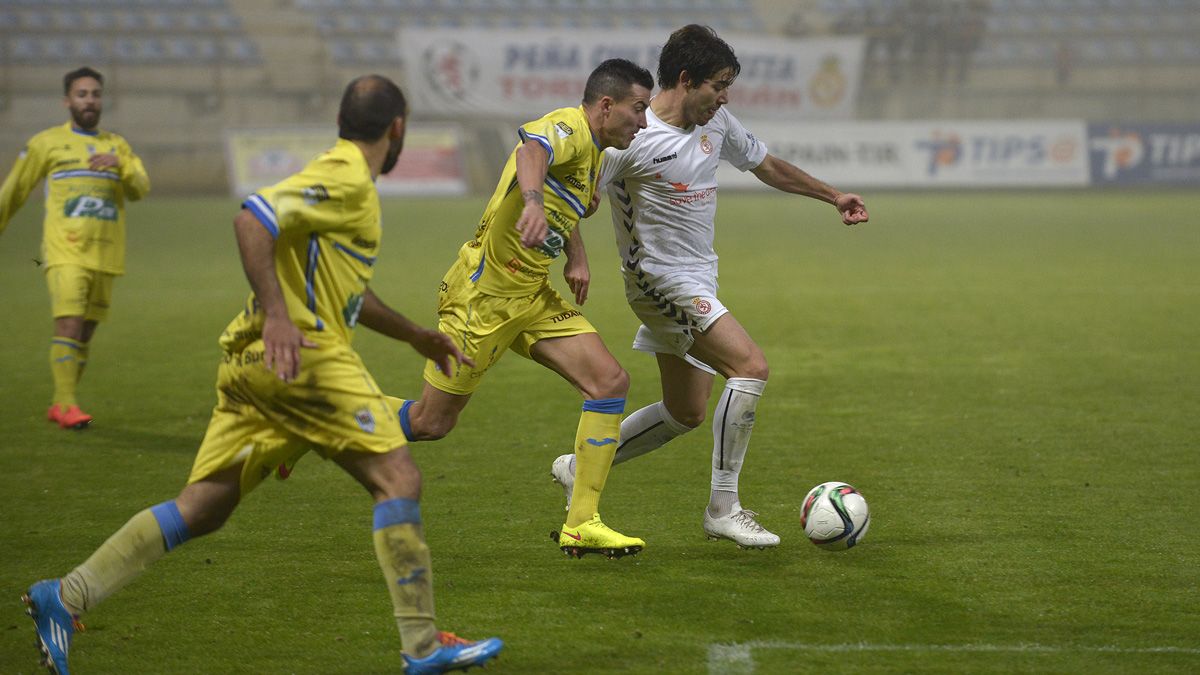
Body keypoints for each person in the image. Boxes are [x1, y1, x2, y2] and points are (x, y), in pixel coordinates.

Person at [22, 75, 502, 675]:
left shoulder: (343, 177)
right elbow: (252, 219)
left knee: (202, 507)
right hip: (304, 358)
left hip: (251, 364)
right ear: (397, 128)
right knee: (398, 479)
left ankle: (63, 597)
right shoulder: (348, 174)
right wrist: (278, 314)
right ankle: (422, 646)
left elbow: (342, 287)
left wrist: (414, 335)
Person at [550, 25, 870, 549]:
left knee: (686, 412)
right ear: (685, 79)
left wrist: (832, 195)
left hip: (700, 275)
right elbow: (576, 198)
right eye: (718, 85)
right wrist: (576, 256)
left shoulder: (715, 123)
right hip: (657, 281)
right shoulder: (634, 137)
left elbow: (766, 165)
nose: (724, 97)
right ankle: (724, 508)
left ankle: (576, 466)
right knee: (750, 367)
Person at [391, 58, 653, 559]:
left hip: (531, 296)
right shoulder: (569, 127)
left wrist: (576, 255)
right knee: (430, 423)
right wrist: (531, 201)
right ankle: (320, 415)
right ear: (605, 105)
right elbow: (531, 152)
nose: (642, 122)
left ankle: (583, 523)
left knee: (609, 382)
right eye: (637, 109)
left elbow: (565, 204)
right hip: (482, 297)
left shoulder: (597, 151)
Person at [0, 66, 150, 430]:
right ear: (67, 101)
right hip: (65, 250)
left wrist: (122, 166)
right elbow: (15, 190)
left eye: (96, 94)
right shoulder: (46, 143)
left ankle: (60, 404)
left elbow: (140, 188)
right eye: (82, 94)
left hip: (106, 255)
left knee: (84, 333)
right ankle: (68, 405)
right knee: (69, 323)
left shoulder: (117, 146)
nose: (90, 100)